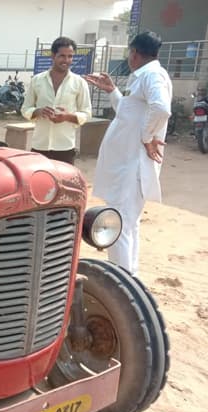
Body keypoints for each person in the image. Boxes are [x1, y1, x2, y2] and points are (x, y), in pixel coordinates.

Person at [84, 31, 172, 276]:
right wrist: (113, 91)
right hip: (126, 166)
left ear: (134, 53)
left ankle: (121, 283)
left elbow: (161, 108)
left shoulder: (151, 74)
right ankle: (130, 278)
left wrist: (147, 138)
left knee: (118, 224)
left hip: (132, 167)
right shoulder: (145, 75)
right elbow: (129, 112)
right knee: (127, 224)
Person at [21, 36, 92, 165]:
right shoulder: (37, 80)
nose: (66, 60)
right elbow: (25, 109)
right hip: (40, 146)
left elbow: (87, 113)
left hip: (65, 148)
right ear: (53, 56)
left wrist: (67, 117)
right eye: (62, 56)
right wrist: (38, 111)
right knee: (40, 184)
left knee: (63, 185)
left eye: (70, 56)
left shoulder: (79, 83)